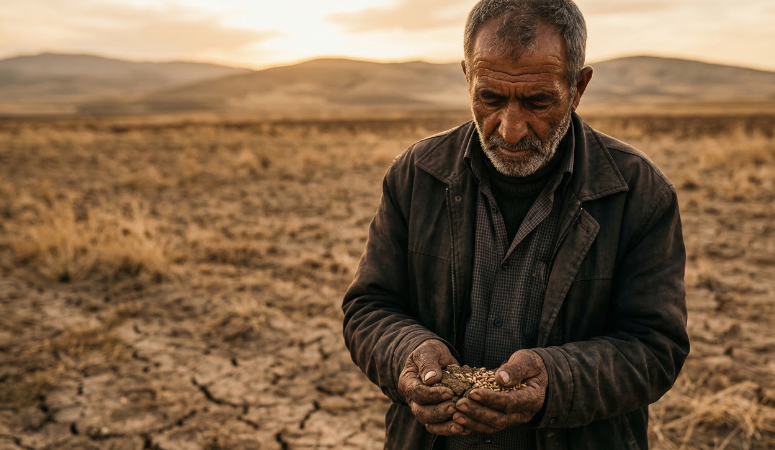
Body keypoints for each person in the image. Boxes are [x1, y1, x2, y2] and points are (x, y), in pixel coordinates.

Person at [342, 0, 689, 448]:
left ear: (578, 87)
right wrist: (406, 353)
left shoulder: (639, 193)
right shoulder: (416, 175)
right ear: (467, 78)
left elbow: (656, 347)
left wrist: (555, 382)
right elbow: (369, 307)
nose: (510, 129)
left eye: (537, 101)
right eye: (489, 98)